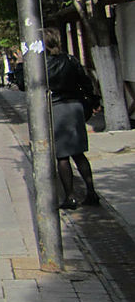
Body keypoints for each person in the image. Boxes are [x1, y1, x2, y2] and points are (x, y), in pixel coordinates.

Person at [43, 28, 100, 209]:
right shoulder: (70, 59)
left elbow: (23, 84)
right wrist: (93, 101)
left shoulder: (42, 65)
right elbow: (85, 81)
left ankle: (70, 196)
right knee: (78, 153)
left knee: (62, 156)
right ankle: (91, 192)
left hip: (56, 108)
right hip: (74, 107)